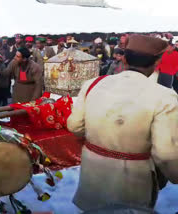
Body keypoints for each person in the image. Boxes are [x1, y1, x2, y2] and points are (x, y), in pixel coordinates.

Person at [67, 35, 178, 212]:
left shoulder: (93, 84)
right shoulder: (165, 97)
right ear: (156, 63)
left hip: (92, 176)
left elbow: (75, 126)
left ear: (124, 58)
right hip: (131, 183)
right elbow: (166, 154)